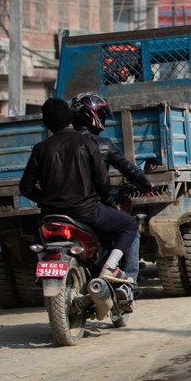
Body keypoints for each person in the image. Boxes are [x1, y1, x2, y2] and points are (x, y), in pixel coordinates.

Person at [19, 98, 140, 298]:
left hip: (51, 215)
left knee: (39, 237)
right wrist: (110, 203)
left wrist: (46, 200)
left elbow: (25, 187)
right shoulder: (86, 142)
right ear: (69, 117)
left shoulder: (40, 148)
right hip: (87, 213)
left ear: (46, 123)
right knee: (130, 225)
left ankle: (42, 269)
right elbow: (101, 181)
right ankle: (109, 268)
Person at [71, 92, 153, 289]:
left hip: (58, 208)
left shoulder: (61, 143)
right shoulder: (102, 145)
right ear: (93, 116)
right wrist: (146, 185)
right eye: (101, 115)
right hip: (91, 208)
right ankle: (129, 283)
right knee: (130, 227)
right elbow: (129, 169)